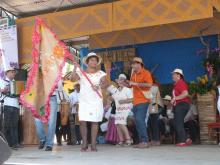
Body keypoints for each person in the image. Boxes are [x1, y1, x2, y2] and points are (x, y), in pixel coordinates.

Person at [71, 52, 108, 152]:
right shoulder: (81, 73)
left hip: (96, 101)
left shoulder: (101, 73)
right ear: (87, 62)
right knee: (83, 121)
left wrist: (99, 86)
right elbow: (72, 79)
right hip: (84, 101)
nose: (94, 62)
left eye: (95, 60)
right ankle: (84, 143)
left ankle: (93, 144)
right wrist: (75, 68)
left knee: (94, 122)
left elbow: (105, 84)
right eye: (91, 60)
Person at [124, 57, 153, 148]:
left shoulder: (146, 73)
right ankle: (142, 141)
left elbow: (149, 84)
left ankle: (144, 141)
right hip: (136, 101)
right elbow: (131, 86)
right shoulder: (134, 74)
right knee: (137, 121)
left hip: (143, 100)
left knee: (140, 119)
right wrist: (125, 83)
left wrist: (136, 84)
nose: (132, 66)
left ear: (139, 64)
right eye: (132, 64)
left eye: (133, 64)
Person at [34, 80, 62, 151]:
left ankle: (49, 144)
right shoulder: (39, 72)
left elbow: (60, 88)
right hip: (40, 98)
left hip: (52, 98)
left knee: (51, 122)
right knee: (37, 120)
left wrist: (54, 85)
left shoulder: (56, 73)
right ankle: (42, 139)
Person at [107, 74, 133, 146]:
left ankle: (128, 139)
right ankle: (121, 140)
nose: (120, 81)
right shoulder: (117, 90)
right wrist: (109, 96)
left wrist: (123, 101)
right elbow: (111, 98)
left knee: (121, 123)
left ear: (125, 81)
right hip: (118, 110)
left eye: (122, 79)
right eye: (119, 79)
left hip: (125, 109)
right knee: (118, 124)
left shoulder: (127, 90)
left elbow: (132, 99)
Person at [0, 67, 20, 150]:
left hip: (15, 105)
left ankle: (15, 143)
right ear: (7, 73)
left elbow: (19, 93)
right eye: (12, 72)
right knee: (6, 125)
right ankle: (5, 144)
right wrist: (3, 90)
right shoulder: (2, 81)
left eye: (14, 72)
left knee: (14, 125)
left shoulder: (15, 82)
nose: (13, 73)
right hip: (7, 104)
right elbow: (1, 90)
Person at [171, 68, 192, 147]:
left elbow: (185, 93)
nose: (172, 76)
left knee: (178, 122)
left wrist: (175, 98)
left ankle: (183, 141)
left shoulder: (180, 83)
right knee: (177, 122)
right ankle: (186, 139)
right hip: (180, 105)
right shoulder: (177, 84)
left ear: (178, 75)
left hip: (182, 104)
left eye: (173, 74)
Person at [148, 79, 164, 146]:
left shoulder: (154, 87)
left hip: (155, 105)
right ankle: (154, 139)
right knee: (151, 123)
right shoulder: (153, 86)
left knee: (154, 123)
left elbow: (150, 97)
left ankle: (156, 140)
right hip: (153, 105)